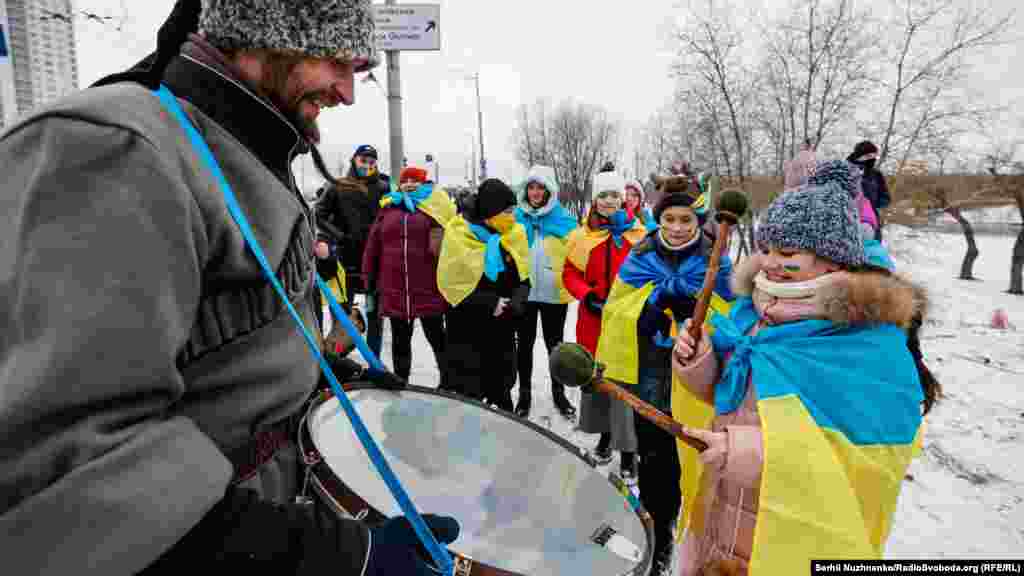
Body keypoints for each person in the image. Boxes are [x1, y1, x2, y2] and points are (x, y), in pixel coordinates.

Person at [0, 1, 458, 574]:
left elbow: (219, 351)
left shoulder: (244, 145)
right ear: (260, 34)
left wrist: (319, 378)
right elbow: (72, 472)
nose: (347, 92)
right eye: (335, 61)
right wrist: (335, 558)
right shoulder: (112, 150)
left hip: (270, 498)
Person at [671, 162, 939, 575]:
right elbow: (726, 391)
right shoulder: (752, 313)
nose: (771, 264)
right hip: (723, 510)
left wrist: (747, 452)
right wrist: (698, 360)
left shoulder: (865, 341)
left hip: (792, 536)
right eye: (768, 250)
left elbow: (865, 463)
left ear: (833, 260)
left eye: (788, 252)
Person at [596, 186, 733, 575]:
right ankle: (659, 532)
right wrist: (650, 305)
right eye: (669, 219)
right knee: (655, 453)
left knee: (693, 449)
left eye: (685, 219)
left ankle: (697, 530)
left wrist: (700, 311)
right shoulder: (639, 256)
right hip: (652, 369)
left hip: (700, 373)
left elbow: (735, 316)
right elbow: (617, 309)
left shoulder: (716, 262)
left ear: (698, 222)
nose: (676, 227)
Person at [563, 170, 646, 482]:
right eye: (604, 195)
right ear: (595, 200)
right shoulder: (582, 237)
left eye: (614, 195)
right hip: (593, 322)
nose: (609, 201)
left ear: (622, 199)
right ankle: (605, 437)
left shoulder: (639, 236)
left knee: (623, 385)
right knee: (597, 381)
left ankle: (628, 452)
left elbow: (649, 275)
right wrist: (586, 296)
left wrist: (633, 304)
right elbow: (569, 273)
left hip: (626, 323)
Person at [438, 178, 531, 411]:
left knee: (502, 397)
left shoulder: (514, 233)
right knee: (471, 406)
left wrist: (518, 301)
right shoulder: (459, 234)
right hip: (468, 335)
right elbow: (450, 287)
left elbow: (524, 278)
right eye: (507, 211)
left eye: (513, 210)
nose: (513, 216)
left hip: (501, 332)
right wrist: (491, 302)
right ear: (491, 211)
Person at [363, 165, 455, 387]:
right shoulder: (388, 208)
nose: (410, 184)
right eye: (406, 181)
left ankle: (449, 382)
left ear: (424, 183)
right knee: (400, 341)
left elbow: (451, 243)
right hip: (395, 287)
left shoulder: (436, 207)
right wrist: (369, 278)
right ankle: (400, 383)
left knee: (437, 337)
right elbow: (373, 245)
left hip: (427, 287)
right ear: (399, 184)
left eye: (416, 180)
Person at [512, 165, 579, 420]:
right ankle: (525, 395)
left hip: (554, 294)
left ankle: (558, 393)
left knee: (555, 346)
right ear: (525, 190)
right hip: (525, 294)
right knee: (524, 345)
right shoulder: (516, 219)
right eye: (531, 187)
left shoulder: (564, 220)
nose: (536, 192)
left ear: (549, 190)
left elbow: (576, 254)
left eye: (541, 187)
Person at [315, 143, 390, 358]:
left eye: (371, 162)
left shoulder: (384, 188)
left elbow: (392, 217)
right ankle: (338, 360)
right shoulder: (337, 185)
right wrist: (338, 237)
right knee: (343, 320)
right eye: (363, 160)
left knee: (375, 318)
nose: (367, 165)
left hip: (374, 264)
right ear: (354, 160)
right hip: (344, 264)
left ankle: (374, 361)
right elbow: (317, 213)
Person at [847, 140, 891, 241]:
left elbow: (885, 198)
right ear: (860, 156)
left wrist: (871, 205)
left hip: (870, 222)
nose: (872, 159)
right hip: (848, 221)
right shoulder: (844, 171)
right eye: (869, 156)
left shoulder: (876, 174)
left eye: (874, 156)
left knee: (872, 251)